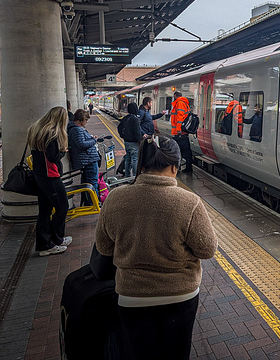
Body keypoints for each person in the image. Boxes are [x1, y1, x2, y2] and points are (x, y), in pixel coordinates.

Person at [95, 136, 218, 360]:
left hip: (131, 296)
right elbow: (207, 250)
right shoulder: (189, 202)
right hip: (180, 295)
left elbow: (103, 247)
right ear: (174, 167)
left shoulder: (115, 198)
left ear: (141, 165)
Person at [27, 106, 72, 256]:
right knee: (62, 207)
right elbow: (53, 157)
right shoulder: (52, 134)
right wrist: (62, 152)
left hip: (40, 175)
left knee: (45, 211)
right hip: (50, 176)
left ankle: (47, 243)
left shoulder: (37, 130)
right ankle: (53, 240)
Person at [67, 109, 100, 206]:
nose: (86, 123)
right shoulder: (76, 129)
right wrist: (94, 140)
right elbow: (81, 144)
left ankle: (89, 202)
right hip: (88, 160)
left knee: (87, 183)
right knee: (92, 182)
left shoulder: (75, 129)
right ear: (80, 120)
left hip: (86, 159)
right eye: (85, 120)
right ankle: (93, 203)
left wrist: (90, 138)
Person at [170, 91, 193, 173]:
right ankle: (186, 167)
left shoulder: (179, 103)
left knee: (179, 151)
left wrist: (179, 130)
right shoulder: (184, 103)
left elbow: (180, 117)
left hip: (180, 133)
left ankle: (183, 168)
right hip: (182, 132)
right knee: (185, 151)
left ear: (175, 96)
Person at [118, 103, 142, 177]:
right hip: (133, 142)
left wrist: (122, 136)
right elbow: (137, 132)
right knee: (135, 159)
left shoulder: (125, 118)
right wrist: (139, 140)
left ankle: (127, 175)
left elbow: (119, 127)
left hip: (126, 142)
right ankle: (135, 176)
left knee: (128, 159)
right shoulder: (135, 119)